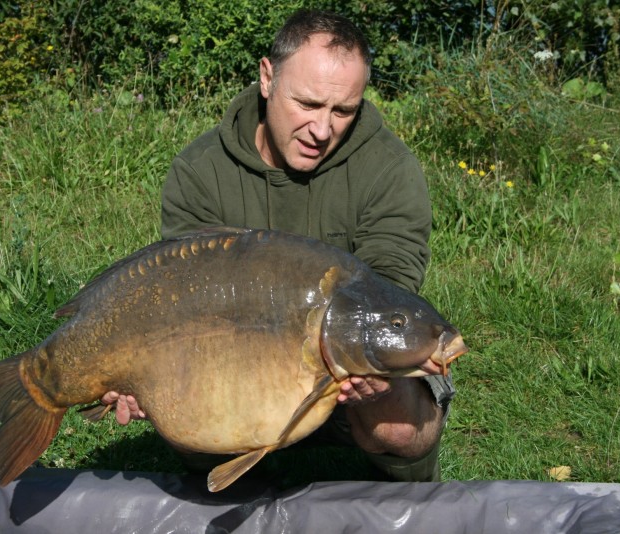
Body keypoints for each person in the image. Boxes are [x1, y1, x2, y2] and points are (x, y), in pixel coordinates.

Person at [100, 8, 455, 482]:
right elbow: (181, 294)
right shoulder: (202, 169)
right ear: (268, 78)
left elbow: (387, 290)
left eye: (343, 111)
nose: (322, 129)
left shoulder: (389, 170)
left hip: (344, 354)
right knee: (187, 410)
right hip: (241, 355)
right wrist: (142, 374)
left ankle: (409, 499)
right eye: (307, 104)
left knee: (398, 426)